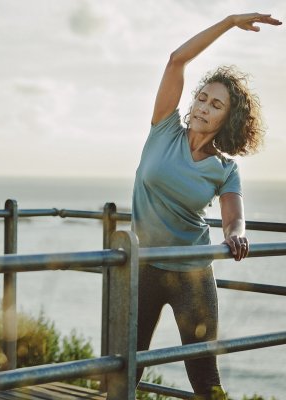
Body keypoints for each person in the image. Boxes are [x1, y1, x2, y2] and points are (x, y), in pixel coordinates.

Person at [131, 13, 282, 399]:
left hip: (193, 274)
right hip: (144, 266)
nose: (203, 107)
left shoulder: (225, 169)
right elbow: (176, 60)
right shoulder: (164, 128)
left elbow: (234, 219)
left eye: (216, 104)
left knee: (204, 378)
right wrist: (230, 22)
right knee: (125, 367)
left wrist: (237, 237)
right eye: (201, 97)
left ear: (227, 119)